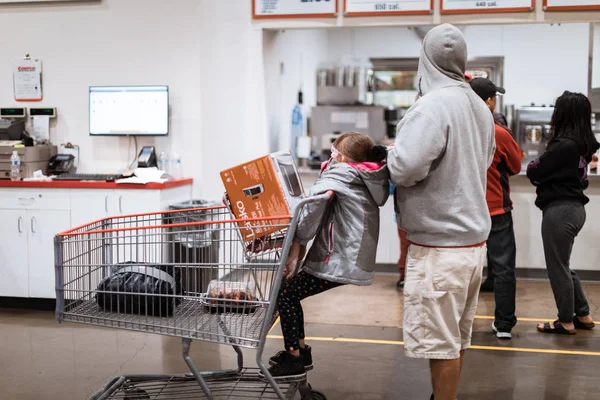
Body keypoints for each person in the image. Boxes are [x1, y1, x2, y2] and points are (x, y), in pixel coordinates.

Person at [388, 24, 495, 400]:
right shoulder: (479, 106)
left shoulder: (432, 106)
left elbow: (404, 168)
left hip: (440, 249)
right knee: (455, 338)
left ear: (426, 60)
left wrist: (386, 155)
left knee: (440, 342)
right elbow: (484, 161)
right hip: (472, 245)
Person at [260, 132, 390, 382]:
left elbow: (310, 211)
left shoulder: (341, 174)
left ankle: (295, 357)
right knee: (291, 293)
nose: (330, 154)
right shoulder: (362, 175)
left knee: (286, 295)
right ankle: (299, 352)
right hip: (347, 254)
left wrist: (297, 241)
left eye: (334, 151)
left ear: (345, 157)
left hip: (339, 257)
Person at [527, 91, 598, 335]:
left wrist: (538, 167)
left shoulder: (563, 145)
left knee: (557, 267)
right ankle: (584, 314)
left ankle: (565, 320)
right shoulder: (582, 143)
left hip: (560, 211)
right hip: (575, 209)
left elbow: (534, 170)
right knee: (563, 265)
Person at [470, 78, 523, 339]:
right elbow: (515, 166)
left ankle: (459, 321)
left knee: (464, 268)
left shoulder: (458, 130)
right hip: (496, 211)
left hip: (465, 212)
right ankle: (503, 324)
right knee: (503, 268)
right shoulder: (499, 133)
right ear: (489, 101)